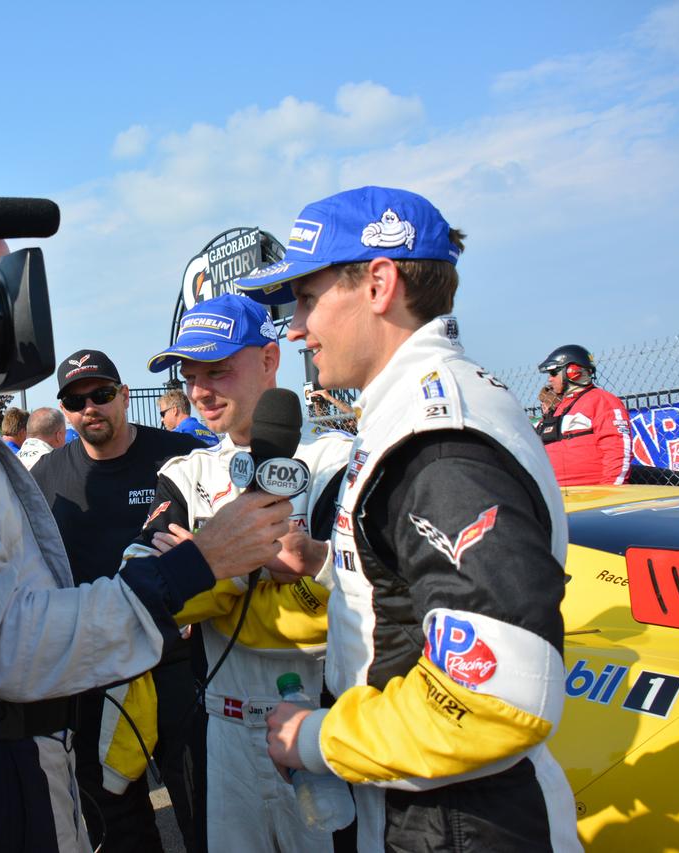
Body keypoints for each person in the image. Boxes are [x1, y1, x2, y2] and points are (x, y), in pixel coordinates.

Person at [0, 235, 295, 853]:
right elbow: (10, 641)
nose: (18, 308)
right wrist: (204, 565)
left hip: (69, 736)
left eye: (100, 394)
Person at [236, 186, 579, 851]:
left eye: (307, 299)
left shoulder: (438, 439)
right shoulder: (412, 417)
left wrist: (310, 737)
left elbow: (496, 697)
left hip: (461, 821)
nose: (296, 328)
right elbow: (417, 599)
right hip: (424, 808)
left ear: (379, 283)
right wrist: (328, 565)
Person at [132, 293, 353, 852]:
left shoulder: (336, 461)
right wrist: (243, 570)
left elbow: (342, 612)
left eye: (219, 371)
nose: (201, 391)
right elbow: (146, 596)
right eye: (191, 375)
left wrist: (201, 563)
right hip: (221, 733)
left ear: (270, 360)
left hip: (321, 727)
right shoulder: (183, 472)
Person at [31, 349, 204, 853]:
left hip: (174, 662)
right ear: (63, 409)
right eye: (76, 399)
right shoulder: (44, 478)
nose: (91, 407)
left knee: (197, 808)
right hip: (96, 669)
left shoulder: (179, 456)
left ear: (124, 396)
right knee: (115, 820)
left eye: (102, 394)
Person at [536, 344, 632, 486]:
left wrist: (611, 492)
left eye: (553, 373)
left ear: (572, 371)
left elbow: (618, 451)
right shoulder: (559, 408)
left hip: (592, 496)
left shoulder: (602, 401)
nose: (550, 379)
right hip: (557, 496)